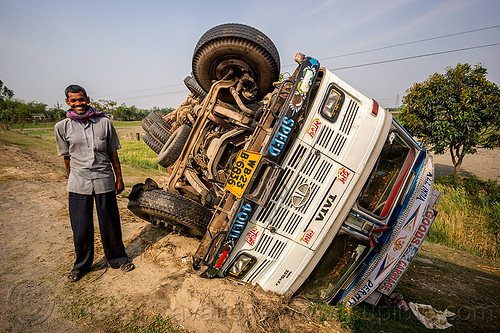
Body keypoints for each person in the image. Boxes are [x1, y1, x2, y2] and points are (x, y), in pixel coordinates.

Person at [54, 84, 134, 282]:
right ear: (68, 102)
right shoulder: (62, 127)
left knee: (110, 224)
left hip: (103, 180)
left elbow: (113, 153)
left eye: (81, 99)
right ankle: (81, 265)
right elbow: (66, 158)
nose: (78, 104)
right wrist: (71, 178)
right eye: (74, 101)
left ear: (87, 99)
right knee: (81, 227)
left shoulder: (104, 123)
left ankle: (118, 258)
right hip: (78, 183)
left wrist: (119, 178)